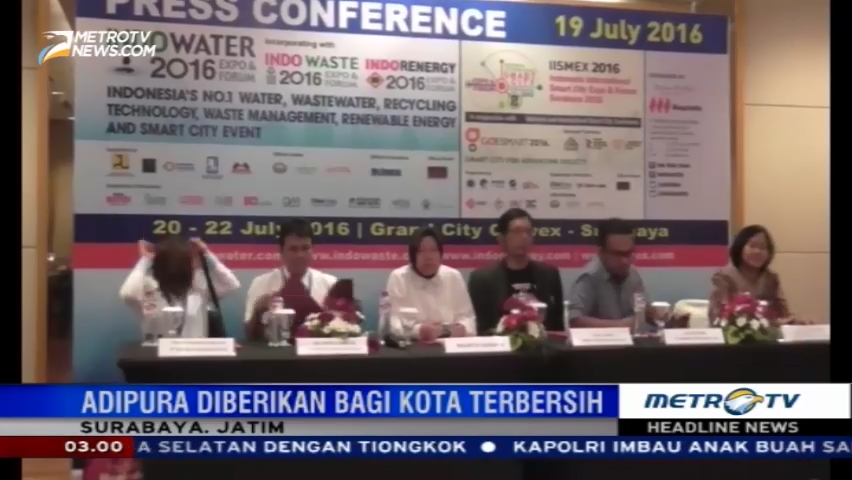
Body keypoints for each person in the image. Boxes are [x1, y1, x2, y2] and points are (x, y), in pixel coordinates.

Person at [567, 218, 687, 329]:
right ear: (601, 252)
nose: (625, 261)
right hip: (600, 345)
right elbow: (575, 321)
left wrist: (667, 321)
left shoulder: (633, 275)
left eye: (628, 254)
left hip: (633, 344)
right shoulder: (588, 278)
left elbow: (644, 313)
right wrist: (623, 326)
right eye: (618, 254)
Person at [118, 236, 240, 337]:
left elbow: (231, 284)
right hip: (156, 355)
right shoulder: (148, 287)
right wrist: (145, 260)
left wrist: (207, 254)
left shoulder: (198, 286)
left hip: (195, 354)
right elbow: (127, 294)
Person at [467, 208, 564, 333]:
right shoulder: (482, 279)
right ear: (501, 238)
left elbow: (557, 326)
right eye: (517, 232)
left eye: (528, 232)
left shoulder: (550, 274)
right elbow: (481, 328)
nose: (524, 237)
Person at [244, 219, 338, 336]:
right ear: (281, 251)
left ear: (313, 249)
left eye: (305, 248)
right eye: (293, 249)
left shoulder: (330, 284)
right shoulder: (261, 283)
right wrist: (258, 311)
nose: (300, 255)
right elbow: (248, 334)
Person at [384, 227, 475, 341]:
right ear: (412, 255)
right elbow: (392, 325)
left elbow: (468, 319)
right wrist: (419, 331)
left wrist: (449, 331)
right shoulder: (398, 278)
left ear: (441, 254)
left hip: (450, 346)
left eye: (433, 250)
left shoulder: (453, 276)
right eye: (422, 251)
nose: (428, 257)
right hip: (413, 348)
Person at [708, 224, 808, 324]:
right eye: (752, 246)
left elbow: (784, 314)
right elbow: (717, 317)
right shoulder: (723, 277)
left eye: (763, 248)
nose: (758, 251)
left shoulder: (771, 279)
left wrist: (797, 322)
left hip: (771, 332)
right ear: (740, 248)